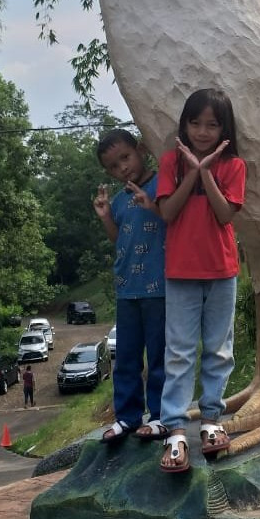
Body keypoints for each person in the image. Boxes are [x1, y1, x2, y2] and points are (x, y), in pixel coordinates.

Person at [154, 88, 246, 472]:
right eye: (195, 123)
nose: (203, 132)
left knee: (219, 349)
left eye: (212, 125)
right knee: (179, 351)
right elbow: (167, 212)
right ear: (184, 125)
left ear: (225, 129)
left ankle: (211, 420)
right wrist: (191, 170)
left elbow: (225, 215)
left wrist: (206, 171)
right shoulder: (170, 163)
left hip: (221, 270)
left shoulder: (234, 166)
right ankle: (175, 428)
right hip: (180, 271)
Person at [93, 129, 168, 443]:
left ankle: (161, 415)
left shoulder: (162, 185)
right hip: (127, 289)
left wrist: (152, 204)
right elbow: (119, 238)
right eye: (113, 166)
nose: (122, 168)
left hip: (160, 288)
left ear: (140, 150)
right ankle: (127, 416)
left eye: (125, 157)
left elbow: (172, 218)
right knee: (125, 357)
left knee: (160, 355)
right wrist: (106, 217)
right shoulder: (120, 200)